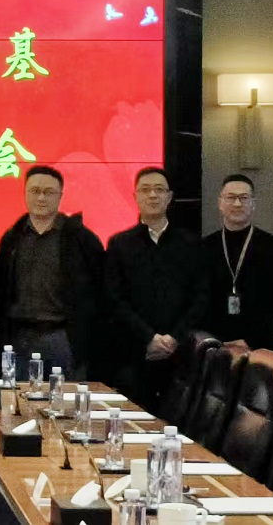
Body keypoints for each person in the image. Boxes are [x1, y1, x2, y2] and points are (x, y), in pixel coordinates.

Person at [106, 167, 208, 409]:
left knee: (180, 421)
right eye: (145, 190)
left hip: (182, 355)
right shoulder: (120, 244)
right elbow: (114, 298)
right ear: (135, 196)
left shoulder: (191, 244)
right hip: (135, 353)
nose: (152, 195)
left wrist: (174, 338)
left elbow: (201, 297)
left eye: (159, 190)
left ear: (169, 197)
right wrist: (148, 338)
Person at [0, 165, 104, 379]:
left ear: (60, 196)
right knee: (19, 397)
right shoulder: (12, 238)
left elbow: (100, 291)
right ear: (25, 193)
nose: (41, 198)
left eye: (48, 192)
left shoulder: (81, 239)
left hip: (63, 337)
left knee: (65, 397)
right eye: (35, 191)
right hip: (20, 337)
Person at [202, 174, 273, 351]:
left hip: (259, 345)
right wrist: (214, 340)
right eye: (231, 197)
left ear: (253, 204)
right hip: (215, 346)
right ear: (220, 203)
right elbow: (199, 300)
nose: (237, 204)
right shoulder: (204, 247)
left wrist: (250, 340)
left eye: (244, 198)